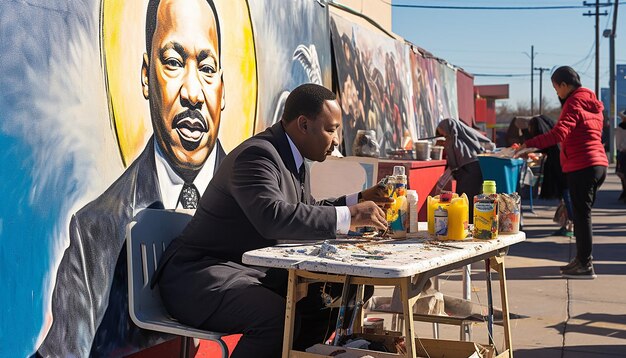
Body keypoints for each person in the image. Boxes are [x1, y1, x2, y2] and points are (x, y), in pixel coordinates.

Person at [36, 0, 226, 356]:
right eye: (172, 62)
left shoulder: (254, 203)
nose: (192, 93)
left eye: (207, 67)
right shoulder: (94, 231)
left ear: (222, 90)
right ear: (145, 76)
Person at [154, 84, 391, 357]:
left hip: (244, 275)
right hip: (202, 280)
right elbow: (273, 217)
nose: (337, 140)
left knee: (341, 292)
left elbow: (305, 209)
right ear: (303, 124)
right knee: (275, 318)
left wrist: (357, 200)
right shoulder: (258, 156)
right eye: (331, 129)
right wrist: (351, 216)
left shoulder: (292, 156)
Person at [517, 66, 608, 279]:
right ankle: (581, 259)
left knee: (582, 216)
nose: (556, 93)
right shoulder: (592, 104)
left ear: (565, 85)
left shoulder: (573, 101)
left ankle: (585, 265)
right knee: (581, 215)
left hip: (583, 166)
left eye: (556, 88)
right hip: (598, 165)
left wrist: (527, 144)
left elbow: (559, 133)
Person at [436, 117, 494, 221]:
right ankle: (474, 221)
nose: (441, 132)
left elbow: (453, 162)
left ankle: (466, 221)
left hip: (467, 172)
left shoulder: (452, 140)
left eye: (441, 129)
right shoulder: (464, 137)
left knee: (465, 198)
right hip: (475, 169)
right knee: (473, 198)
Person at [527, 115, 574, 237]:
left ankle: (571, 225)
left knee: (567, 197)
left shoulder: (550, 139)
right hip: (565, 170)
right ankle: (568, 225)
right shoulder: (556, 138)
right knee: (566, 198)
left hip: (562, 171)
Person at [615, 109, 626, 202]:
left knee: (623, 174)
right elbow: (618, 143)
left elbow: (618, 142)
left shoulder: (620, 128)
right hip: (623, 153)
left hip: (623, 152)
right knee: (623, 174)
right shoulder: (620, 127)